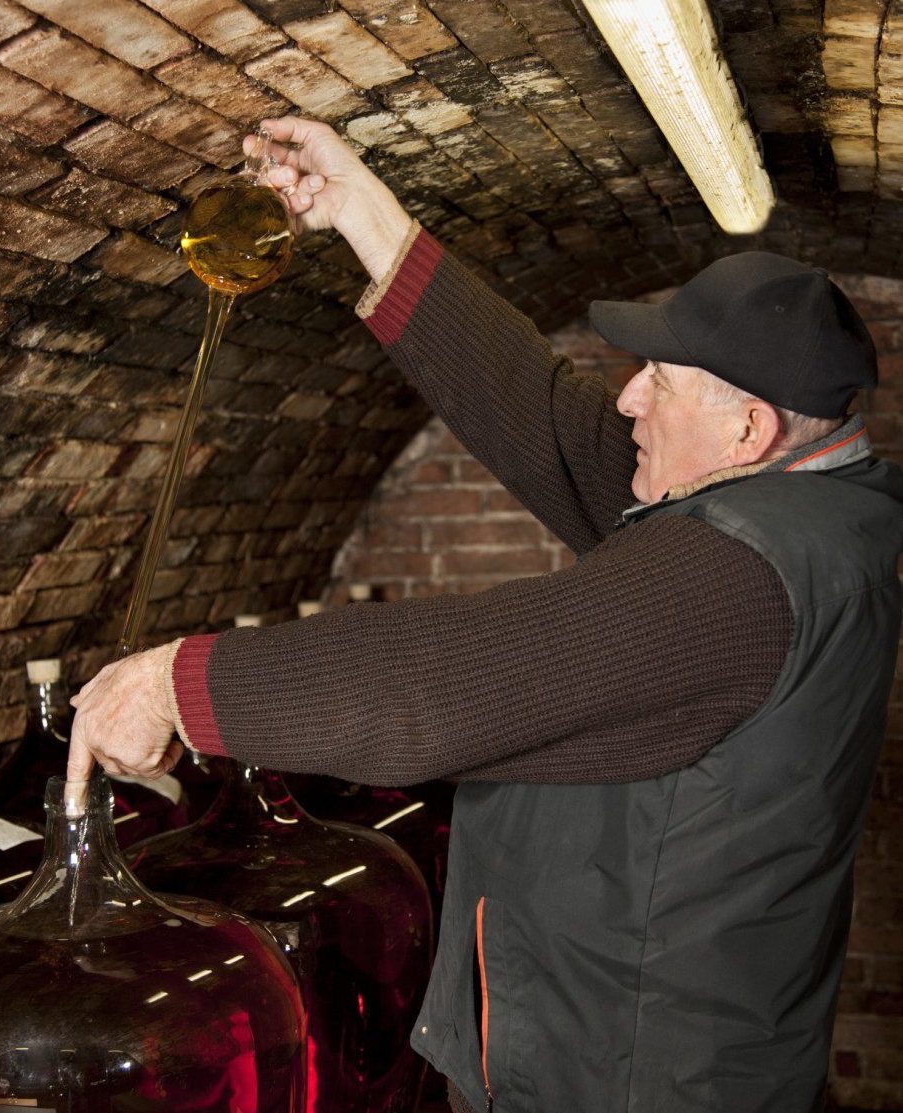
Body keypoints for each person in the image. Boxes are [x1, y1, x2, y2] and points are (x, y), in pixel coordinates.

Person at [68, 117, 903, 1113]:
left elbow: (440, 691)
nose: (628, 399)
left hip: (633, 1078)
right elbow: (555, 423)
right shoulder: (797, 504)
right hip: (630, 1041)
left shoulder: (738, 574)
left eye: (660, 383)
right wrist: (363, 213)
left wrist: (177, 682)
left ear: (749, 428)